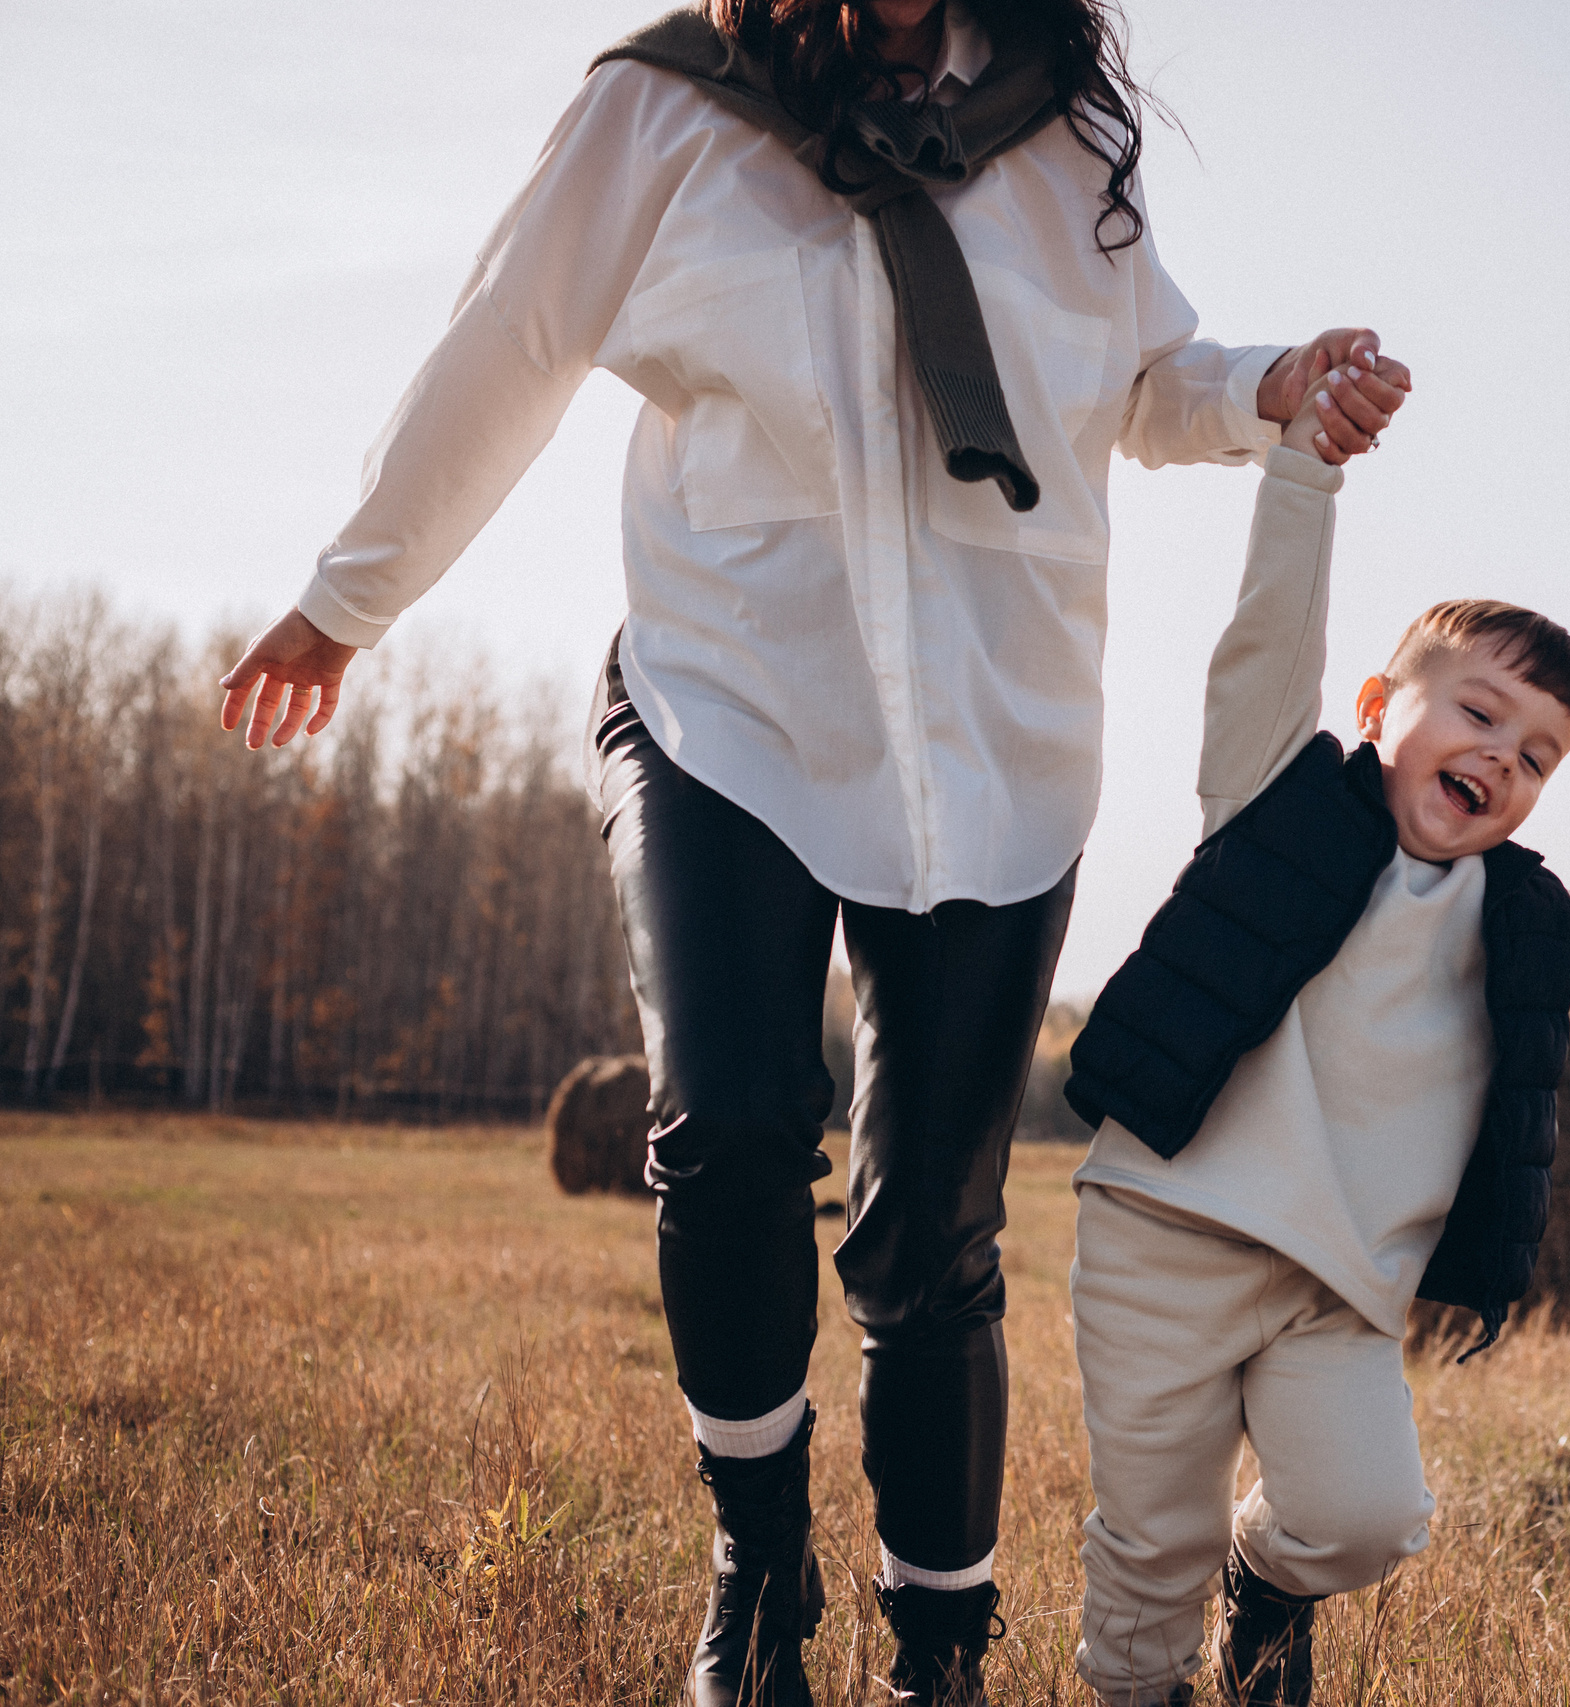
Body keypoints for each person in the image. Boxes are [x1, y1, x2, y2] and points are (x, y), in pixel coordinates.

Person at [214, 3, 1409, 1702]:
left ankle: (938, 1654)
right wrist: (347, 604)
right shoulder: (664, 111)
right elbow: (508, 349)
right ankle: (757, 1565)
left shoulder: (1058, 122)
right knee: (734, 1131)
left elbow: (1136, 379)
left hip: (999, 749)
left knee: (932, 1235)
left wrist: (1270, 387)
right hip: (731, 705)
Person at [1057, 376, 1570, 1707]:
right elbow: (1268, 639)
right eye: (1480, 713)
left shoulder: (1517, 918)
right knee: (1155, 1541)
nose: (1503, 757)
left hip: (1340, 1290)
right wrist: (1306, 471)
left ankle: (1265, 1582)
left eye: (1539, 755)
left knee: (1365, 1520)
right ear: (1385, 705)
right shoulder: (1277, 803)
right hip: (1164, 1234)